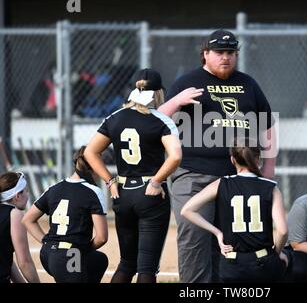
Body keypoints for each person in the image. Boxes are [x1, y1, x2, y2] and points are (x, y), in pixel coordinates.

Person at [158, 29, 277, 283]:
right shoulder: (188, 82)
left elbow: (267, 125)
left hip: (235, 178)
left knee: (229, 241)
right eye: (219, 52)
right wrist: (177, 100)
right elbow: (159, 120)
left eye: (231, 52)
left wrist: (268, 168)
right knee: (195, 237)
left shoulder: (248, 84)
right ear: (205, 54)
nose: (226, 57)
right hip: (194, 174)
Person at [84, 68, 181, 283]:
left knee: (127, 263)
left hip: (123, 193)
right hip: (150, 193)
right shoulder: (161, 120)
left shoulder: (115, 117)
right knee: (146, 268)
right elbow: (175, 156)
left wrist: (110, 181)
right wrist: (157, 181)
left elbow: (90, 152)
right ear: (158, 93)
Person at [181, 138, 288, 283]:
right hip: (262, 263)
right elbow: (282, 231)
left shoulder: (222, 183)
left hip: (232, 264)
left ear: (232, 160)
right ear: (258, 159)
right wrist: (275, 253)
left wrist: (218, 233)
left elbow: (187, 210)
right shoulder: (271, 187)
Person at [22, 146, 108, 283]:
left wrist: (46, 241)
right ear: (94, 166)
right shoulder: (93, 191)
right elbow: (102, 238)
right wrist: (83, 249)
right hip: (69, 256)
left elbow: (28, 219)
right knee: (84, 258)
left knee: (99, 261)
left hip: (47, 254)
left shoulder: (55, 187)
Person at [0, 171, 40, 283]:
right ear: (17, 195)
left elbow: (4, 258)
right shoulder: (14, 214)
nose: (28, 195)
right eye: (26, 191)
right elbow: (24, 262)